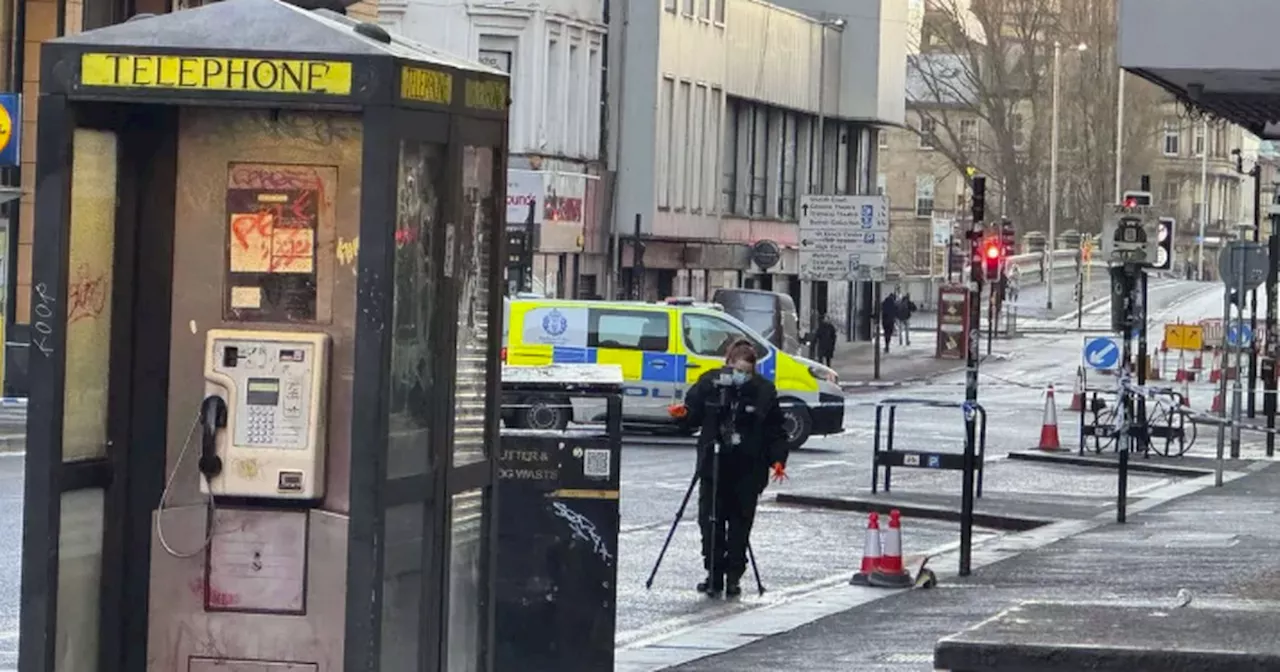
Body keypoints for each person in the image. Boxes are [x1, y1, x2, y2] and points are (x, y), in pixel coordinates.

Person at [674, 340, 789, 597]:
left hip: (748, 469)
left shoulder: (763, 391)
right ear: (727, 364)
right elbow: (692, 414)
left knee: (740, 524)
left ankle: (734, 576)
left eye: (746, 372)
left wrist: (778, 460)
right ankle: (714, 573)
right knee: (710, 521)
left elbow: (775, 430)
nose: (741, 377)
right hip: (713, 466)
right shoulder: (710, 383)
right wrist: (683, 414)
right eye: (737, 370)